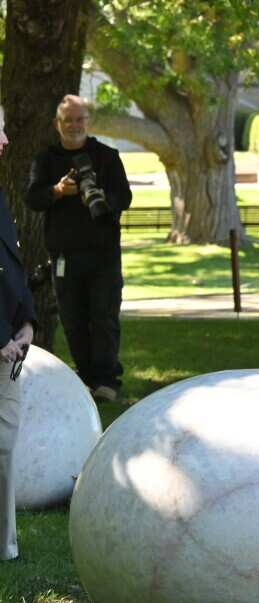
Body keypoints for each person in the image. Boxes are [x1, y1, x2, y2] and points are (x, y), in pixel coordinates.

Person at [25, 95, 130, 402]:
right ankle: (84, 380)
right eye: (67, 120)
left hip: (103, 255)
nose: (74, 125)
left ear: (88, 121)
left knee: (104, 317)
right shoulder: (45, 160)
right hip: (64, 257)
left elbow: (124, 197)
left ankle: (107, 381)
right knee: (73, 320)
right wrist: (57, 191)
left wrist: (99, 199)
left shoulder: (107, 156)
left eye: (79, 119)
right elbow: (32, 198)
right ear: (57, 124)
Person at [0, 128, 38, 561]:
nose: (7, 139)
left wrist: (27, 321)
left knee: (5, 445)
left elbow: (12, 260)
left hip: (12, 345)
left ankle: (5, 546)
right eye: (0, 130)